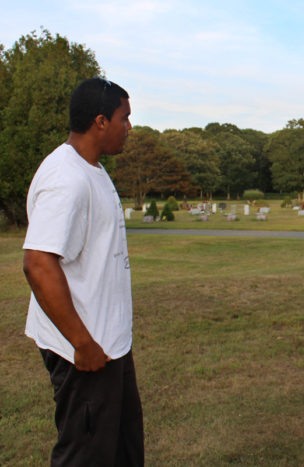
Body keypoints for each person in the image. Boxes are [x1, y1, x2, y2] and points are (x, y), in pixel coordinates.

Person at [22, 77, 143, 466]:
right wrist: (82, 343)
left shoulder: (92, 168)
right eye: (124, 118)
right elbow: (39, 263)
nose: (130, 127)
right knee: (86, 456)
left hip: (110, 347)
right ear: (101, 121)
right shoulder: (66, 178)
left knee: (122, 450)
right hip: (85, 352)